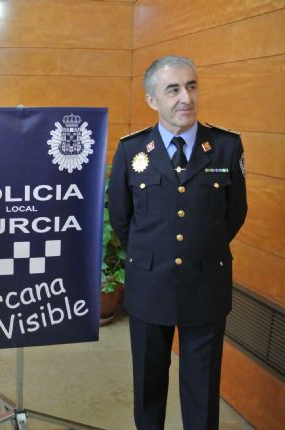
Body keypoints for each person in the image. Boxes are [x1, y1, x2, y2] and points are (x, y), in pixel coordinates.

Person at [108, 56, 247, 430]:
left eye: (192, 85)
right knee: (148, 384)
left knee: (202, 389)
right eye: (173, 89)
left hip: (206, 286)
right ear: (152, 100)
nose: (186, 97)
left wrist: (200, 249)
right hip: (150, 285)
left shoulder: (225, 148)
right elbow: (122, 219)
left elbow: (234, 214)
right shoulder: (131, 151)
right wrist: (155, 255)